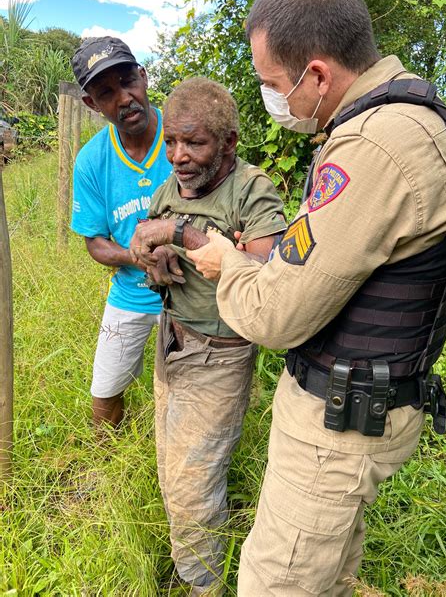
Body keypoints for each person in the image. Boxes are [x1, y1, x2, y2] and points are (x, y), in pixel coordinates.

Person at [182, 0, 446, 594]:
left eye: (273, 85)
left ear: (316, 75)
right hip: (359, 405)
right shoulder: (412, 117)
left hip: (335, 428)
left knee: (275, 584)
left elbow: (276, 315)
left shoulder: (376, 146)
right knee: (329, 574)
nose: (272, 99)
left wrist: (229, 266)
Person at [129, 77, 287, 595]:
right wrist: (152, 257)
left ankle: (202, 585)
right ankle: (189, 566)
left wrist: (181, 235)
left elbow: (268, 277)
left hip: (218, 356)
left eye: (194, 143)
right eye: (171, 141)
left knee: (193, 483)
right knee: (170, 468)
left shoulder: (251, 189)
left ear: (228, 143)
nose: (178, 156)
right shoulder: (172, 184)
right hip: (170, 340)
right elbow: (143, 238)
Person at [70, 36, 171, 427]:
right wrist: (136, 256)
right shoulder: (92, 161)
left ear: (144, 77)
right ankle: (107, 465)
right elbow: (95, 242)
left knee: (187, 395)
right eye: (106, 92)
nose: (125, 98)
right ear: (91, 104)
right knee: (105, 392)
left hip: (191, 294)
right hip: (130, 293)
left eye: (128, 81)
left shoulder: (183, 135)